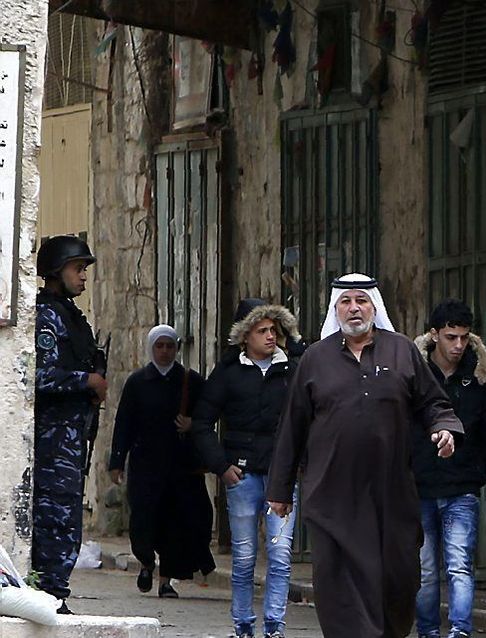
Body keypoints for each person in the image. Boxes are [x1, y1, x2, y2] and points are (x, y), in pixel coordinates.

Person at [266, 273, 463, 638]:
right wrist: (280, 490)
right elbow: (292, 425)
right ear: (335, 308)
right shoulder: (315, 359)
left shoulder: (401, 351)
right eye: (346, 301)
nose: (354, 308)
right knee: (341, 588)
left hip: (391, 496)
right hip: (331, 497)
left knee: (399, 580)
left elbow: (433, 403)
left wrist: (444, 428)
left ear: (374, 306)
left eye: (361, 300)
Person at [191, 301, 301, 638]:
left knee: (281, 554)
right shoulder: (228, 373)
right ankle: (242, 625)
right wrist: (221, 466)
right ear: (245, 337)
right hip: (242, 473)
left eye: (274, 330)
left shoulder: (292, 369)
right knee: (243, 556)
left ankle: (274, 626)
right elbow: (202, 422)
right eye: (262, 331)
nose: (270, 337)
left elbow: (310, 414)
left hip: (282, 474)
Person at [411, 299, 486, 638]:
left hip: (462, 487)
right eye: (451, 337)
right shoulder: (413, 376)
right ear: (434, 334)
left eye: (464, 338)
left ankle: (460, 631)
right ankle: (428, 632)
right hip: (420, 486)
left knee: (459, 566)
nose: (457, 345)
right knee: (425, 570)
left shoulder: (481, 380)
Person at [108, 324, 215, 598]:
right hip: (146, 466)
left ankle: (166, 581)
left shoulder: (191, 381)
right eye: (160, 346)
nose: (165, 351)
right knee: (143, 520)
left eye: (170, 346)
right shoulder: (137, 382)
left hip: (179, 468)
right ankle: (145, 561)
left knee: (173, 523)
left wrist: (193, 424)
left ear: (176, 348)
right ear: (152, 348)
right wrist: (117, 461)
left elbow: (208, 415)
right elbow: (124, 424)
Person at [32, 234, 106, 614]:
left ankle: (57, 592)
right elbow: (40, 376)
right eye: (78, 269)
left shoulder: (72, 316)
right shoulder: (46, 315)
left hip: (73, 436)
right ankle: (48, 593)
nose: (82, 277)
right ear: (56, 271)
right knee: (54, 517)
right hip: (53, 440)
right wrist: (86, 381)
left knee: (67, 517)